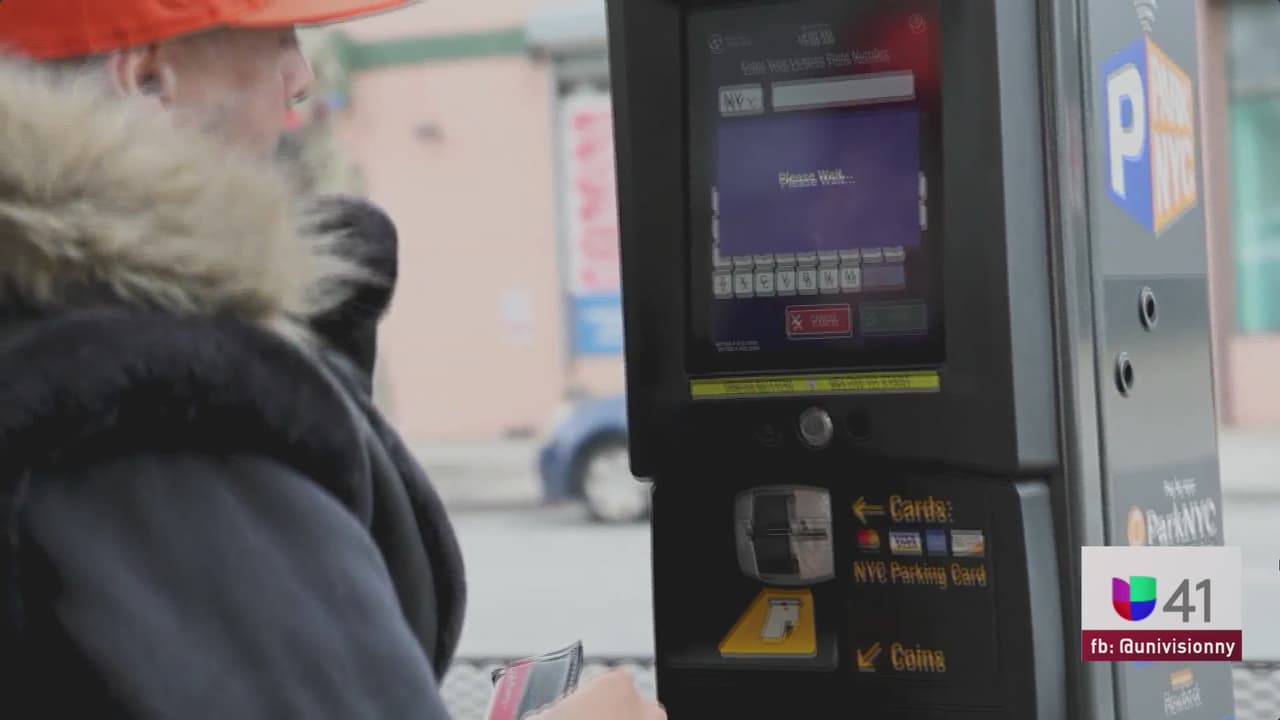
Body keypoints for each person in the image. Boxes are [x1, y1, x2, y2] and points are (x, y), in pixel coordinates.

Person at [0, 2, 664, 718]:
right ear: (149, 78)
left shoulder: (50, 338)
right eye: (276, 39)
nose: (301, 77)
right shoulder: (152, 408)